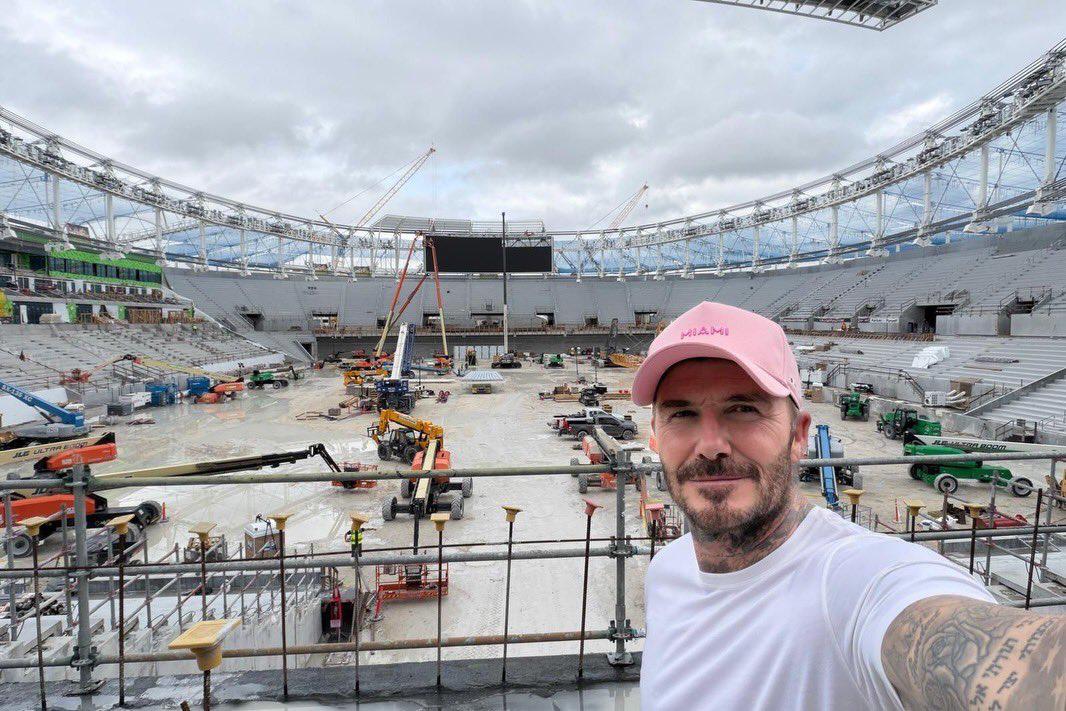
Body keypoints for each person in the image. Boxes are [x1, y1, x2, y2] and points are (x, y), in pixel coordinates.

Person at [633, 301, 1063, 711]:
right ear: (655, 436)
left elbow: (976, 647)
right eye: (682, 414)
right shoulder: (667, 571)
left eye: (743, 409)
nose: (710, 446)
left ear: (800, 435)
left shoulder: (856, 580)